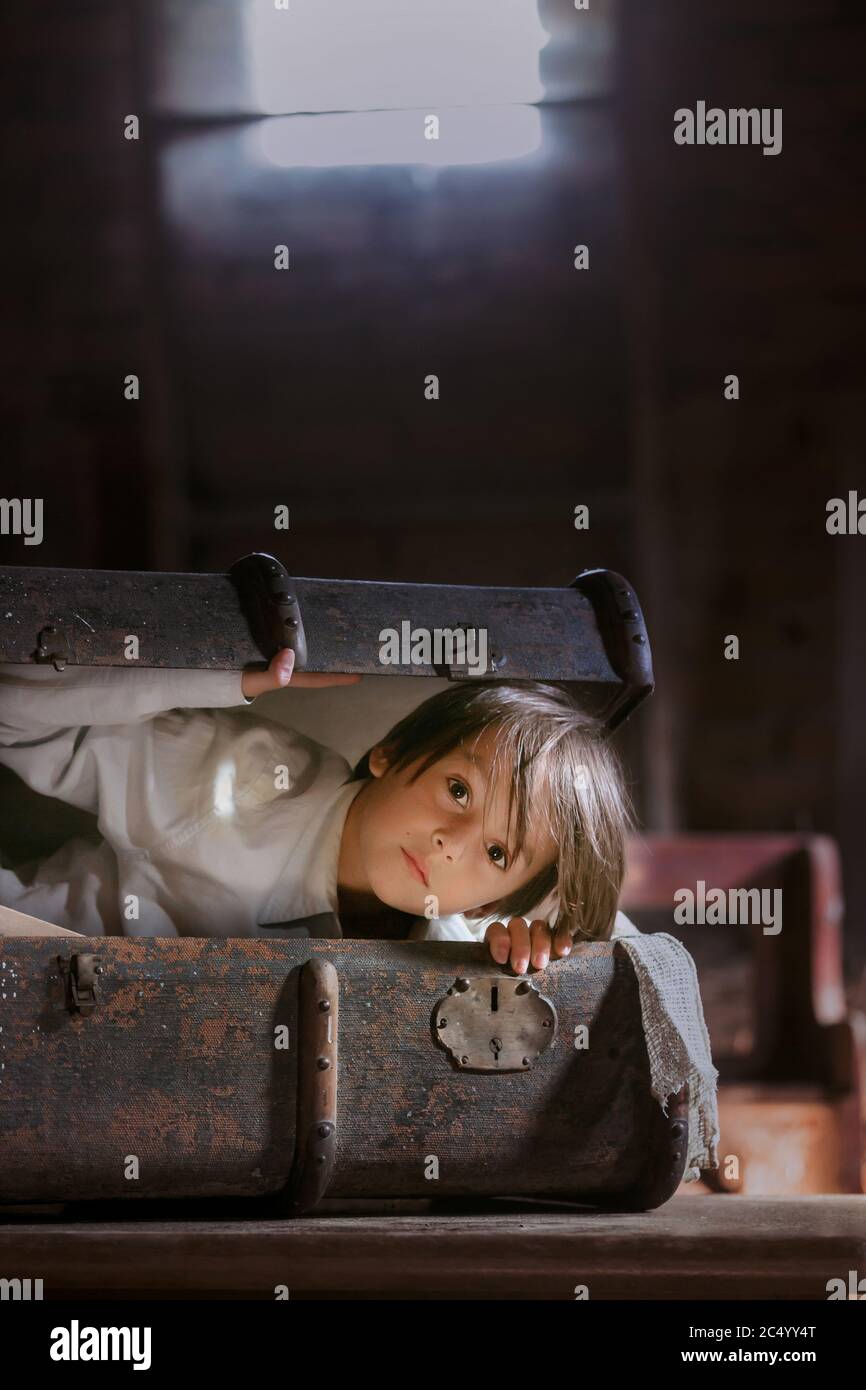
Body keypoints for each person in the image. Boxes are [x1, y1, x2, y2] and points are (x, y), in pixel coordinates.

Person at [0, 648, 634, 970]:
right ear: (391, 751)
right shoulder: (233, 779)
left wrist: (547, 960)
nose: (451, 842)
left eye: (496, 853)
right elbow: (10, 710)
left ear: (489, 903)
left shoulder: (463, 948)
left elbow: (633, 948)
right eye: (460, 791)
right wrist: (223, 673)